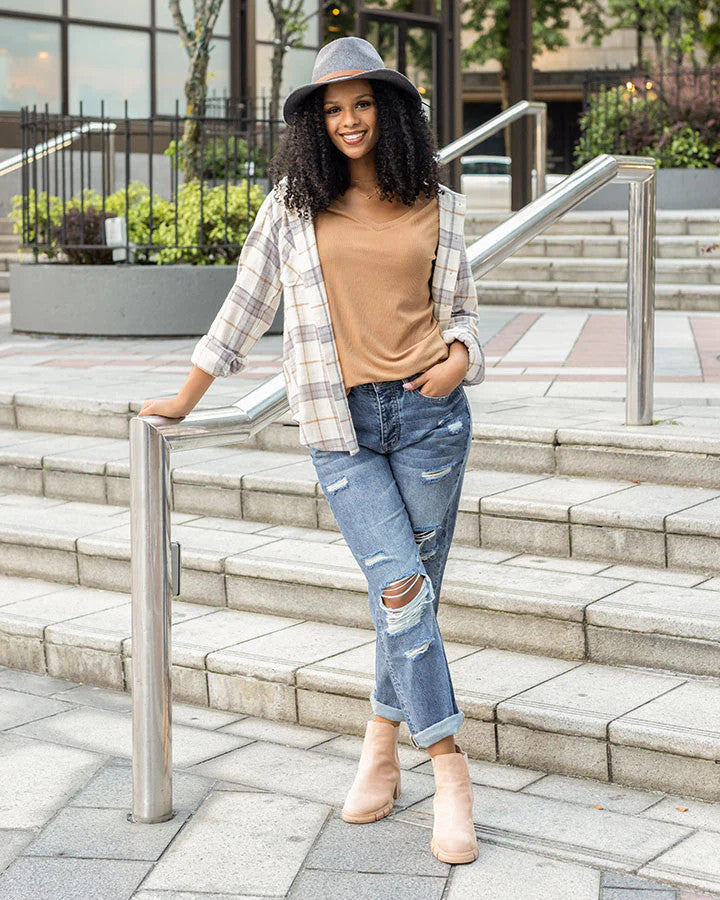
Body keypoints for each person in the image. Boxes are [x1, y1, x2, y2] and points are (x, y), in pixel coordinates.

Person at [139, 36, 485, 865]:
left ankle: (377, 743)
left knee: (408, 598)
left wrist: (461, 359)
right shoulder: (293, 208)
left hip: (431, 420)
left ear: (390, 111)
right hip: (341, 430)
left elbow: (463, 311)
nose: (349, 120)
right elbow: (244, 306)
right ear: (314, 124)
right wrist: (186, 398)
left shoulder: (439, 203)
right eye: (332, 110)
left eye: (362, 103)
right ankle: (449, 767)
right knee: (401, 589)